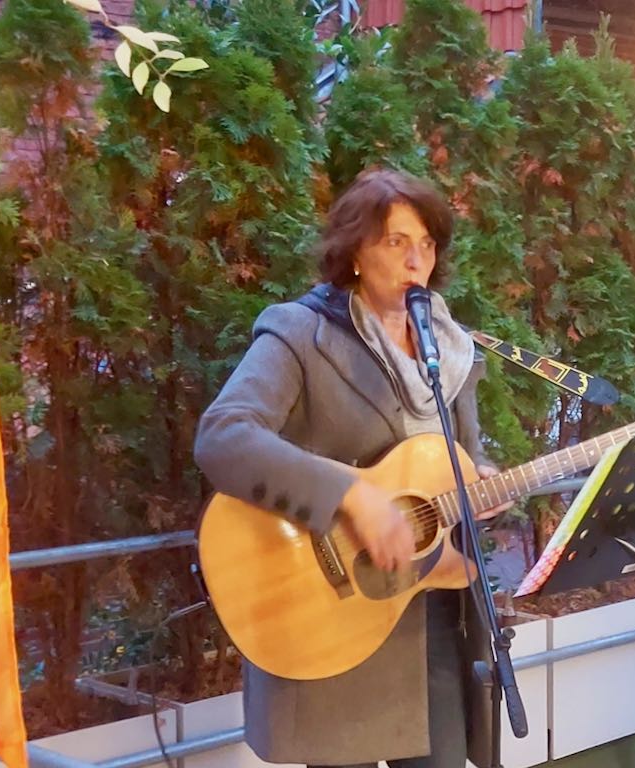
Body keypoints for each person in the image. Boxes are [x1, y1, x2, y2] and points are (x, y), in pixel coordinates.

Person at [194, 167, 508, 768]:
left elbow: (457, 456)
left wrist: (483, 483)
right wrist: (351, 496)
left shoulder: (450, 350)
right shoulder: (300, 333)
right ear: (355, 252)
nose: (416, 260)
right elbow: (223, 436)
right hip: (333, 619)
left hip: (430, 621)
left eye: (427, 244)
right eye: (396, 241)